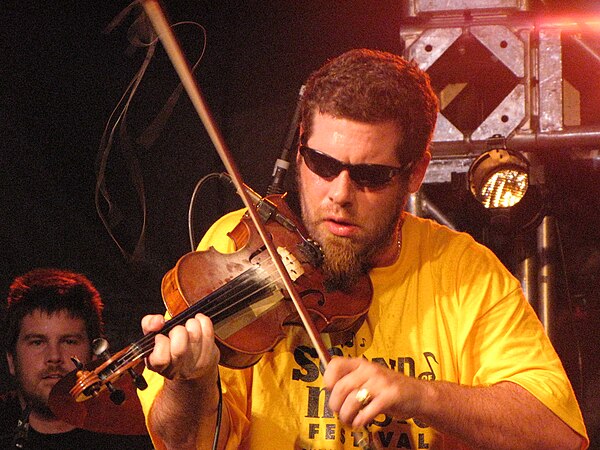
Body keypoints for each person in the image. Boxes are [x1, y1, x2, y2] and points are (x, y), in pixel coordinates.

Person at [137, 49, 589, 449]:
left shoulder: (465, 271)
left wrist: (418, 395)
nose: (339, 194)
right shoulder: (240, 239)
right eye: (322, 164)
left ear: (414, 175)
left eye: (370, 175)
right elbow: (183, 441)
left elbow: (557, 434)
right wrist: (189, 386)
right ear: (299, 152)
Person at [0, 268, 154, 449]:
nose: (54, 357)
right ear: (11, 360)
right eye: (37, 343)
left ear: (95, 354)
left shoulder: (136, 432)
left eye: (69, 342)